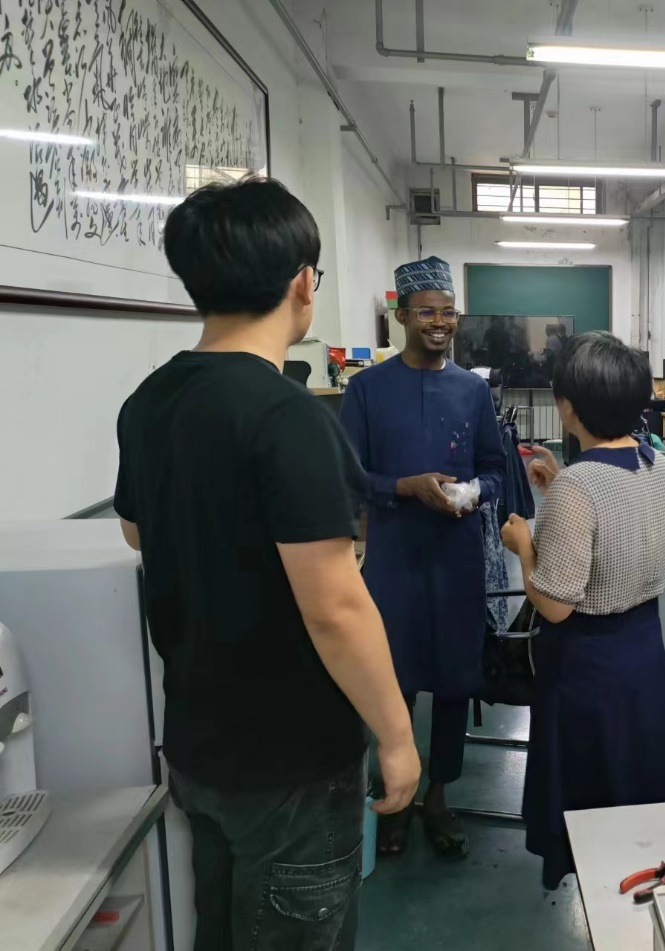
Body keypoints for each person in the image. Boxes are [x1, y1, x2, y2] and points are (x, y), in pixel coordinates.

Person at [113, 178, 419, 950]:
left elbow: (137, 533)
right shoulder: (287, 416)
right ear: (302, 283)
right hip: (291, 760)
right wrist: (395, 736)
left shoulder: (150, 400)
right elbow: (335, 606)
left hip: (198, 744)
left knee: (220, 928)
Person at [500, 332, 665, 889]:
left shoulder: (580, 485)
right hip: (642, 647)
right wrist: (559, 485)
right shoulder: (655, 462)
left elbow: (555, 605)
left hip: (588, 662)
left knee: (591, 779)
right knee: (635, 768)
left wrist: (523, 546)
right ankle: (646, 868)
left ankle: (598, 881)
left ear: (569, 407)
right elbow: (617, 517)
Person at [339, 256, 506, 859]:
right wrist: (404, 488)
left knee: (456, 680)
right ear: (402, 316)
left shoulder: (472, 390)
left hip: (456, 559)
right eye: (427, 313)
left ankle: (438, 796)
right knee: (396, 677)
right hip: (396, 560)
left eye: (448, 313)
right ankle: (397, 795)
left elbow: (495, 470)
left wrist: (474, 493)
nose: (440, 323)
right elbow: (351, 475)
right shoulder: (366, 390)